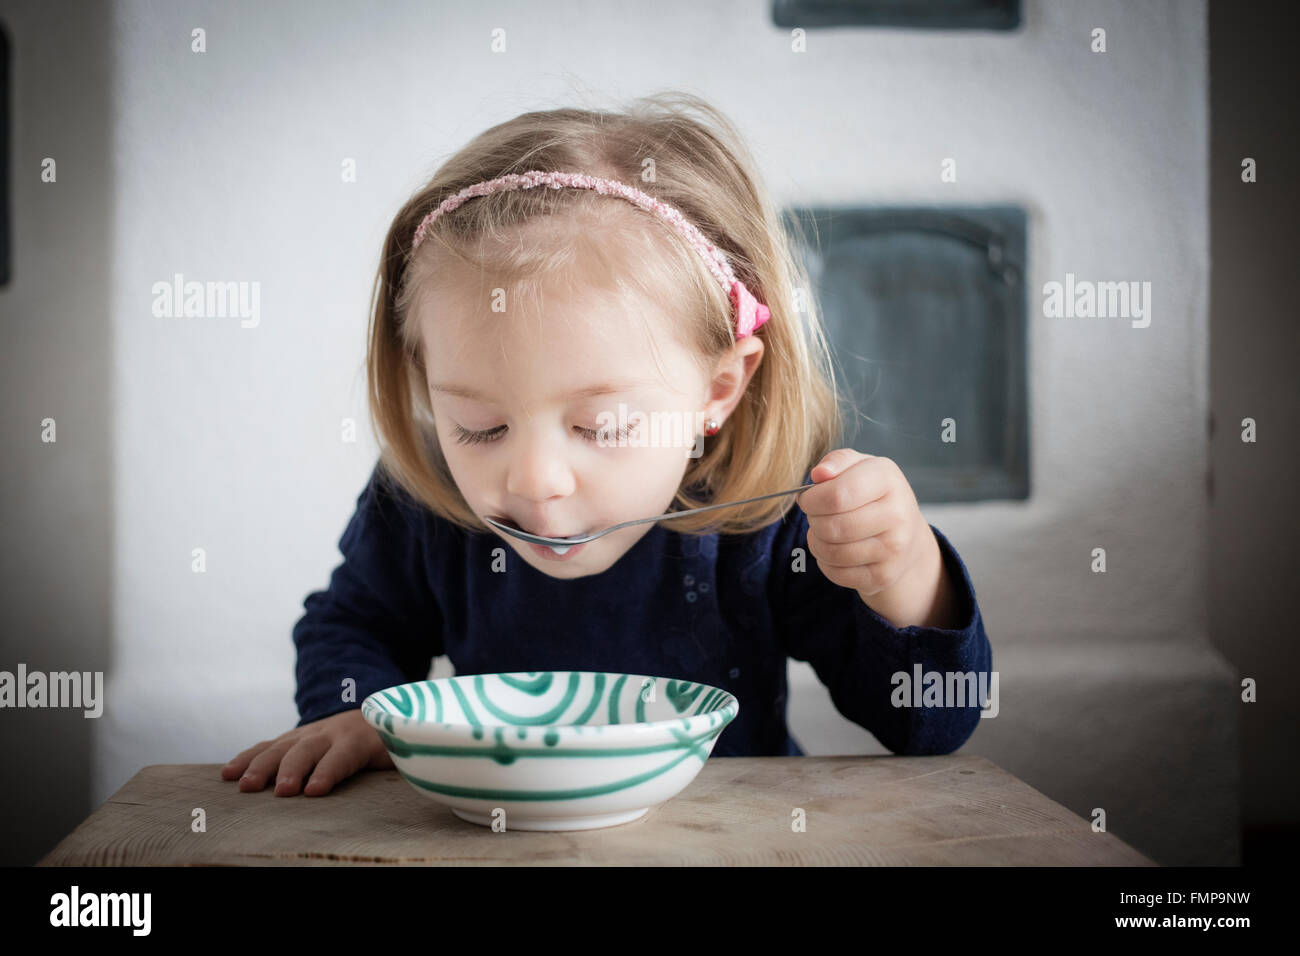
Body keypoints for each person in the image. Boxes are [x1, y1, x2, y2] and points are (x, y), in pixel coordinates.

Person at [222, 91, 992, 798]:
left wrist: (907, 579)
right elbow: (351, 625)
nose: (533, 482)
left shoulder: (766, 525)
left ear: (718, 390)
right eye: (479, 426)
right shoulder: (427, 501)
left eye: (602, 427)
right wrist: (358, 713)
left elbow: (927, 730)